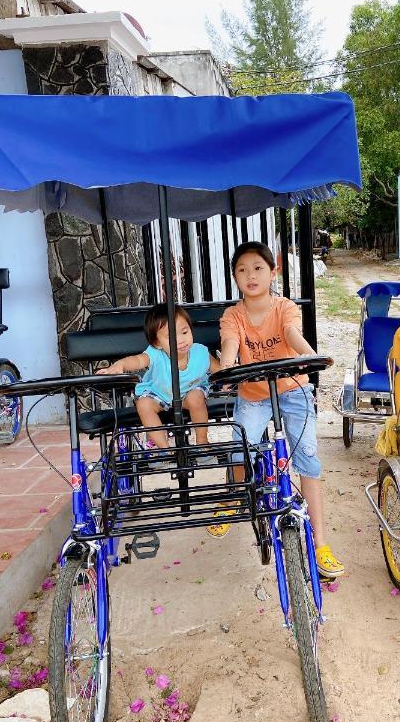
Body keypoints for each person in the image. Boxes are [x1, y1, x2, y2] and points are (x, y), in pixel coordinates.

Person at [211, 241, 344, 579]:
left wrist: (310, 355)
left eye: (257, 268)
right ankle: (233, 497)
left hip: (292, 390)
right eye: (242, 270)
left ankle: (321, 542)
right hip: (253, 394)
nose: (250, 275)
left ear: (273, 272)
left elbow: (291, 334)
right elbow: (229, 346)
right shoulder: (233, 315)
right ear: (236, 278)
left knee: (308, 460)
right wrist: (226, 370)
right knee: (239, 450)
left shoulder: (285, 307)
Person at [98, 303, 219, 449]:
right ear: (157, 343)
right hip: (160, 394)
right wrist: (120, 365)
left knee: (196, 397)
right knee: (144, 405)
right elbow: (138, 360)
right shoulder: (155, 354)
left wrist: (231, 374)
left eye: (185, 332)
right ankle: (165, 448)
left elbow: (219, 370)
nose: (180, 340)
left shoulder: (200, 352)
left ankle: (202, 442)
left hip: (189, 394)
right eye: (171, 337)